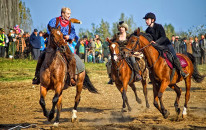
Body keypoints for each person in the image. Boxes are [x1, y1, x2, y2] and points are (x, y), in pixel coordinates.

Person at [32, 7, 77, 86]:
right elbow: (49, 30)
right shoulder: (54, 21)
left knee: (72, 58)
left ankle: (72, 78)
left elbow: (73, 33)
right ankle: (37, 76)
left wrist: (69, 36)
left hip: (64, 44)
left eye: (70, 14)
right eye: (67, 14)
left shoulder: (70, 24)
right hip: (53, 44)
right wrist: (56, 36)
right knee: (41, 56)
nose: (69, 16)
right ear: (62, 13)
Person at [143, 12, 188, 78]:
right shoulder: (147, 30)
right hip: (156, 47)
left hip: (166, 44)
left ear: (152, 20)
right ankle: (153, 75)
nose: (146, 21)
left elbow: (163, 37)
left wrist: (156, 42)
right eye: (145, 20)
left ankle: (181, 71)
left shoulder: (159, 26)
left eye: (147, 19)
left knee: (173, 56)